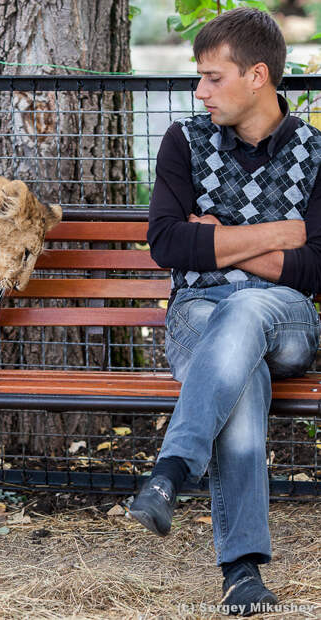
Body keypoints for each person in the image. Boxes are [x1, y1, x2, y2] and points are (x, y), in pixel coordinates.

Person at [128, 7, 321, 617]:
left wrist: (220, 237)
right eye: (199, 78)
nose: (199, 91)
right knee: (240, 364)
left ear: (257, 75)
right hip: (198, 316)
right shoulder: (183, 141)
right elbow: (167, 243)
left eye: (213, 77)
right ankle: (242, 576)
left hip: (285, 319)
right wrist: (276, 235)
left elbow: (314, 268)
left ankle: (173, 467)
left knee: (248, 313)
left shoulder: (317, 153)